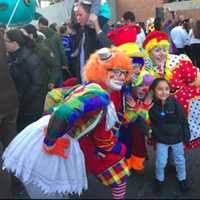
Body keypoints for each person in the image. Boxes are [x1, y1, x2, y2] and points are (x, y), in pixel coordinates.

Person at [2, 47, 132, 199]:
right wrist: (50, 141)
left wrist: (49, 119)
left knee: (55, 189)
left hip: (51, 135)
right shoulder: (99, 95)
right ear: (100, 70)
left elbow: (53, 96)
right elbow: (64, 112)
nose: (121, 77)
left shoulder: (89, 87)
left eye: (124, 73)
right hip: (51, 141)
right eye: (116, 71)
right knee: (50, 191)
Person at [142, 30, 200, 149]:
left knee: (177, 132)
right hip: (158, 106)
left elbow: (193, 76)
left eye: (164, 49)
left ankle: (175, 155)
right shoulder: (146, 68)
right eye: (157, 50)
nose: (162, 53)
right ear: (149, 52)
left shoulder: (176, 61)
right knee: (162, 132)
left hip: (179, 104)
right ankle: (167, 157)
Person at [149, 78, 190, 194]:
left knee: (180, 161)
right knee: (160, 162)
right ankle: (159, 180)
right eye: (160, 89)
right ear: (154, 91)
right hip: (162, 140)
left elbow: (183, 120)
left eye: (166, 89)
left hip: (177, 139)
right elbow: (151, 123)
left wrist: (186, 136)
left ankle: (182, 179)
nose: (164, 92)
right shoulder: (151, 107)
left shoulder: (175, 103)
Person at [5, 29, 48, 132]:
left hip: (30, 107)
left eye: (5, 41)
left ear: (15, 43)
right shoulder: (12, 57)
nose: (3, 43)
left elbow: (38, 83)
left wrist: (21, 100)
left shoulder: (30, 58)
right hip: (20, 104)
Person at [72, 1, 112, 82]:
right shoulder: (83, 31)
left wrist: (97, 26)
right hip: (84, 82)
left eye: (80, 14)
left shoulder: (100, 29)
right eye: (76, 15)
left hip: (96, 83)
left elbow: (111, 49)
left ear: (90, 14)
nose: (78, 18)